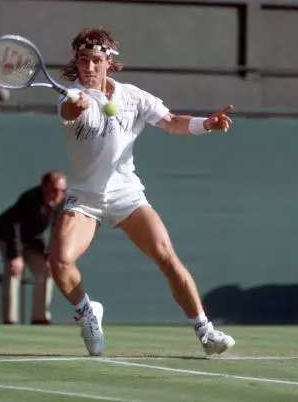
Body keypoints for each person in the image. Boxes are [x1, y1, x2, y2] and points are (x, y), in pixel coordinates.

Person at [48, 27, 236, 357]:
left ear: (109, 62)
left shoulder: (133, 97)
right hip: (86, 197)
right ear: (75, 64)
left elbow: (172, 121)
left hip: (127, 194)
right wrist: (75, 105)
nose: (89, 68)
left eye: (95, 60)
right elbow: (69, 112)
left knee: (167, 257)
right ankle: (89, 314)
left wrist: (207, 123)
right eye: (82, 61)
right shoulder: (69, 96)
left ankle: (206, 333)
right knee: (60, 262)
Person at [0, 171, 67, 325]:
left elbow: (56, 232)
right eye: (54, 190)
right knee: (13, 270)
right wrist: (15, 256)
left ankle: (40, 318)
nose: (58, 194)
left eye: (62, 191)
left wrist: (50, 258)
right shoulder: (30, 198)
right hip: (7, 235)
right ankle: (10, 320)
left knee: (47, 271)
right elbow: (14, 226)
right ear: (44, 187)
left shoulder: (60, 204)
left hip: (32, 240)